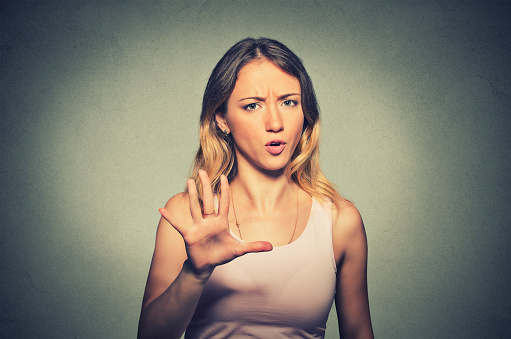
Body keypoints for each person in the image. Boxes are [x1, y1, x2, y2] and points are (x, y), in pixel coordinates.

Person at [137, 37, 373, 339]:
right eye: (252, 106)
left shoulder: (341, 221)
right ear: (222, 119)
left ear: (306, 114)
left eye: (289, 102)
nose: (275, 122)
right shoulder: (187, 214)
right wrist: (194, 273)